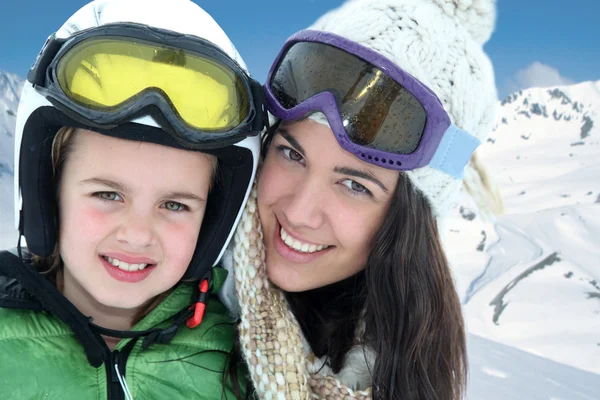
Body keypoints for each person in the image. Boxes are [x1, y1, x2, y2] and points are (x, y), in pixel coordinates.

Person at [223, 0, 502, 399]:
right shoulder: (159, 297)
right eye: (292, 154)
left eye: (355, 185)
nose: (300, 213)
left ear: (409, 222)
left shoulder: (404, 376)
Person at [0, 0, 265, 398]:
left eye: (174, 205)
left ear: (213, 220)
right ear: (49, 193)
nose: (139, 235)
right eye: (108, 194)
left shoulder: (246, 362)